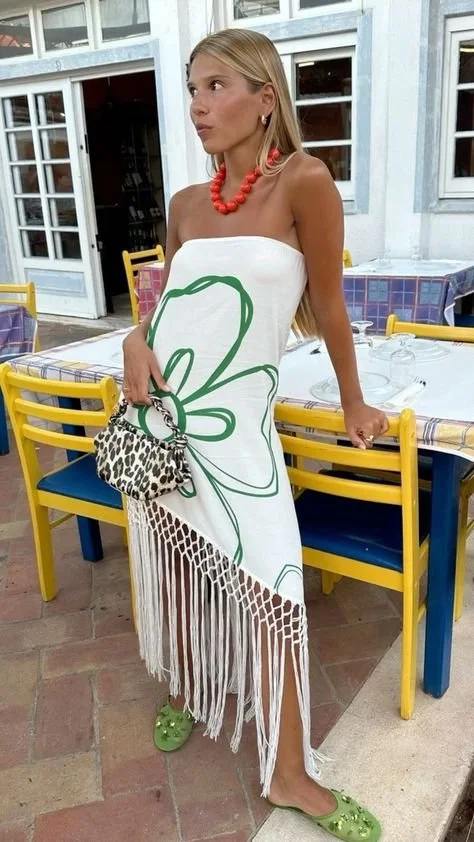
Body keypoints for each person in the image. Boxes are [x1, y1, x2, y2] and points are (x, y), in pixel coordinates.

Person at [122, 27, 387, 842]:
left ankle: (287, 771)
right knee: (175, 567)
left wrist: (353, 402)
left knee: (273, 582)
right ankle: (185, 687)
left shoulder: (306, 182)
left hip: (241, 427)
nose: (197, 105)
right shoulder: (186, 205)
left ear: (264, 98)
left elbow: (332, 307)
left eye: (214, 87)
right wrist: (137, 338)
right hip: (163, 414)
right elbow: (171, 304)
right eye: (192, 89)